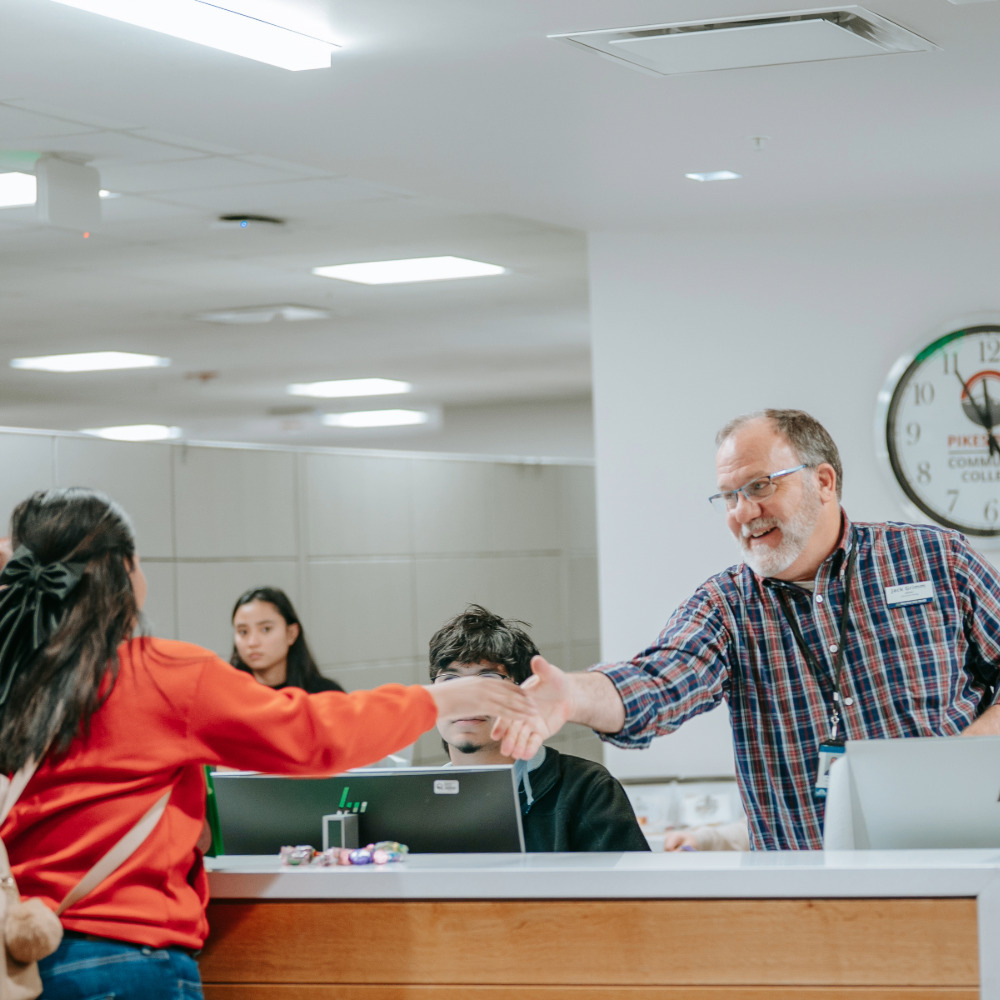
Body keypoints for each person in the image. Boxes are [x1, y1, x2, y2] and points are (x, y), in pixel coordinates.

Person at [0, 488, 537, 999]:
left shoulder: (12, 676)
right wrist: (435, 700)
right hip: (128, 956)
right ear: (123, 571)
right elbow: (313, 736)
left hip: (20, 956)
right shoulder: (161, 675)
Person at [494, 409, 1000, 850]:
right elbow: (661, 678)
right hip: (808, 894)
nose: (743, 513)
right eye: (728, 496)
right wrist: (574, 697)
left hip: (959, 864)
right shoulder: (726, 605)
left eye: (759, 486)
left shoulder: (935, 559)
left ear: (823, 482)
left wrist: (971, 750)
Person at [429, 604, 649, 852]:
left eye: (487, 681)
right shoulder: (418, 803)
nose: (466, 699)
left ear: (525, 693)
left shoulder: (587, 790)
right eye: (449, 681)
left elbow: (632, 890)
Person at [231, 586, 344, 693]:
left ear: (291, 634)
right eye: (243, 632)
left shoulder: (325, 694)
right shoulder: (226, 697)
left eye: (266, 629)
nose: (252, 642)